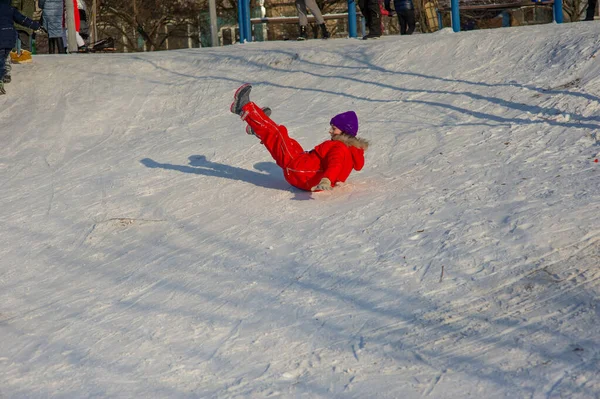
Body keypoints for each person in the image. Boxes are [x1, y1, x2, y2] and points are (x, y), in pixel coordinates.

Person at [230, 84, 369, 192]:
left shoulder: (340, 147)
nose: (330, 131)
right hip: (303, 171)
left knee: (278, 135)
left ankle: (243, 107)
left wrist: (327, 180)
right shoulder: (351, 150)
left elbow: (335, 164)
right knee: (288, 142)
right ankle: (260, 125)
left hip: (298, 169)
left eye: (334, 128)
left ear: (344, 131)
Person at [0, 0, 40, 94]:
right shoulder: (10, 9)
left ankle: (1, 78)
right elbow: (23, 19)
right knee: (4, 57)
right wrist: (36, 26)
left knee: (1, 59)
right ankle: (6, 73)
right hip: (9, 36)